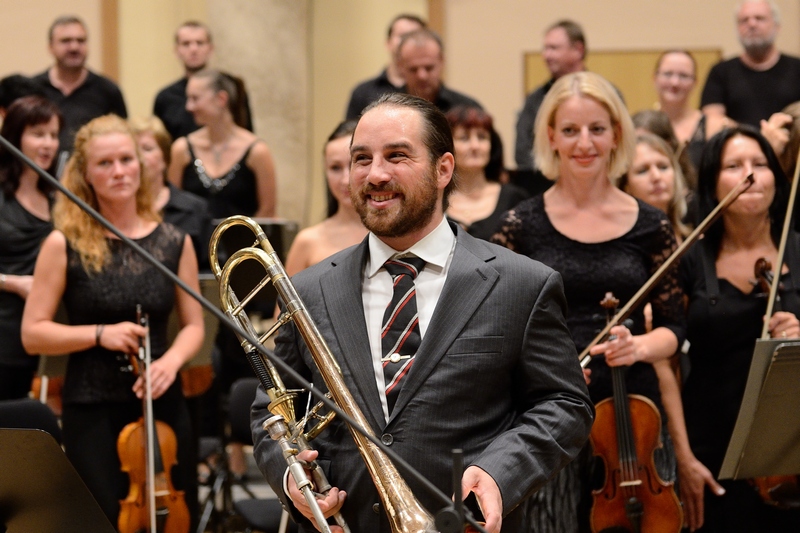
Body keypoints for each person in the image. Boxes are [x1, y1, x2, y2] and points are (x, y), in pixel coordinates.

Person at [251, 92, 593, 533]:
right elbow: (272, 412)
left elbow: (564, 404)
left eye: (397, 156)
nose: (375, 174)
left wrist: (500, 472)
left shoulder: (521, 284)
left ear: (443, 169)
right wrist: (291, 478)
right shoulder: (308, 290)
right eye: (361, 159)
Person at [491, 72, 686, 532]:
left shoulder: (651, 226)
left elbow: (675, 329)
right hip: (547, 414)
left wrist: (637, 346)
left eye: (597, 129)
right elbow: (498, 329)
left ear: (616, 134)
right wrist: (541, 368)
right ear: (551, 136)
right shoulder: (519, 225)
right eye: (571, 130)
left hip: (634, 421)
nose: (584, 143)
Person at [20, 114, 204, 529]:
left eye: (126, 159)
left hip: (162, 403)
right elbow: (33, 334)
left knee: (176, 517)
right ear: (85, 174)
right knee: (102, 520)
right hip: (93, 406)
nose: (119, 171)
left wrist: (170, 363)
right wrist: (100, 334)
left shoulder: (174, 241)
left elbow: (194, 325)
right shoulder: (61, 244)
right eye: (105, 163)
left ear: (141, 164)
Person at [679, 125, 800, 532]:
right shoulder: (690, 260)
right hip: (713, 443)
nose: (750, 175)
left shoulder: (798, 248)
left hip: (792, 445)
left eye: (760, 164)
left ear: (776, 178)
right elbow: (669, 356)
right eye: (734, 165)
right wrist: (684, 457)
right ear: (713, 183)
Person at [0, 96, 61, 400]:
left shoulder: (57, 201)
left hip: (39, 339)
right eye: (38, 134)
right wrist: (13, 283)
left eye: (53, 134)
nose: (48, 144)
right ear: (15, 137)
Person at [167, 69, 276, 219]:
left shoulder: (257, 151)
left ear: (221, 99)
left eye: (195, 98)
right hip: (194, 241)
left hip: (243, 241)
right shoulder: (182, 149)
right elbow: (173, 208)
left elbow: (268, 212)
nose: (189, 107)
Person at [701, 0, 800, 137]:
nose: (752, 24)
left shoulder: (797, 68)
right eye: (744, 20)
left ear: (777, 26)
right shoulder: (720, 72)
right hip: (740, 153)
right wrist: (758, 139)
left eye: (760, 18)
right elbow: (712, 123)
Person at [33, 15, 127, 155]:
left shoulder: (108, 91)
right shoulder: (33, 89)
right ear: (50, 47)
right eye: (66, 41)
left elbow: (122, 138)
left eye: (81, 41)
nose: (74, 47)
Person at [283, 120, 367, 276]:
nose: (345, 180)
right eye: (335, 168)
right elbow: (286, 300)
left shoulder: (393, 233)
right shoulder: (307, 241)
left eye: (353, 164)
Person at [129, 115, 211, 271]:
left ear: (165, 158)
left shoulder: (195, 209)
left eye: (147, 149)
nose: (139, 157)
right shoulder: (118, 209)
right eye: (132, 151)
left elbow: (211, 272)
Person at [153, 21, 254, 140]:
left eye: (199, 43)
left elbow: (247, 134)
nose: (194, 49)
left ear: (210, 48)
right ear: (177, 50)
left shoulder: (232, 89)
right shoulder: (165, 97)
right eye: (186, 44)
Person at [444, 105, 528, 241]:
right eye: (464, 138)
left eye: (482, 137)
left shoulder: (515, 199)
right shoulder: (433, 200)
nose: (475, 146)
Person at [515, 20, 587, 171]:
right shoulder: (534, 100)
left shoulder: (606, 95)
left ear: (578, 50)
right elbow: (522, 152)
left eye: (553, 48)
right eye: (545, 49)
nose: (546, 56)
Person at [344, 14, 426, 120]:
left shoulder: (442, 95)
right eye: (403, 36)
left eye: (414, 36)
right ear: (388, 42)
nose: (407, 42)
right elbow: (350, 134)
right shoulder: (362, 92)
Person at [619, 132, 690, 241]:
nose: (656, 177)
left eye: (663, 167)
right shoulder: (623, 244)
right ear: (626, 187)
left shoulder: (693, 234)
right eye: (643, 171)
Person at [397, 28, 482, 113]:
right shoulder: (387, 109)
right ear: (400, 66)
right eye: (413, 69)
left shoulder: (468, 109)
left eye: (429, 68)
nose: (422, 76)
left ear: (442, 61)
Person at [654, 50, 707, 173]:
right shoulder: (641, 126)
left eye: (683, 76)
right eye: (668, 74)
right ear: (655, 78)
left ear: (695, 82)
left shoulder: (712, 127)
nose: (675, 83)